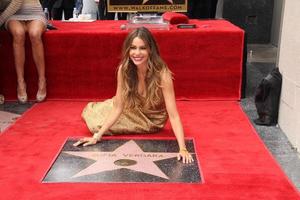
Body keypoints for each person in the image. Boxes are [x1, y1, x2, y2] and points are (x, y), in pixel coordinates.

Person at [74, 27, 193, 164]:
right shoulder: (124, 69)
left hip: (150, 119)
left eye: (142, 48)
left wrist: (183, 148)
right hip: (131, 107)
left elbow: (173, 115)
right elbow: (118, 107)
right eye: (133, 48)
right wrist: (97, 137)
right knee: (94, 116)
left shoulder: (162, 74)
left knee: (96, 124)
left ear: (150, 50)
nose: (137, 53)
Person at [2, 0, 47, 103]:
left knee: (35, 34)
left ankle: (42, 80)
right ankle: (20, 82)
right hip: (13, 15)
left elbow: (17, 2)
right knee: (18, 34)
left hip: (34, 12)